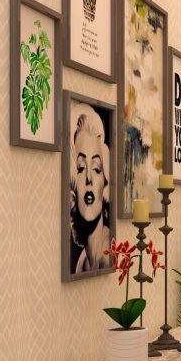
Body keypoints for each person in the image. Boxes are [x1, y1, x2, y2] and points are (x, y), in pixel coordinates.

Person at [68, 101, 112, 274]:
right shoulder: (82, 263)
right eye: (80, 168)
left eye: (96, 168)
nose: (88, 179)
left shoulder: (108, 256)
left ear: (105, 181)